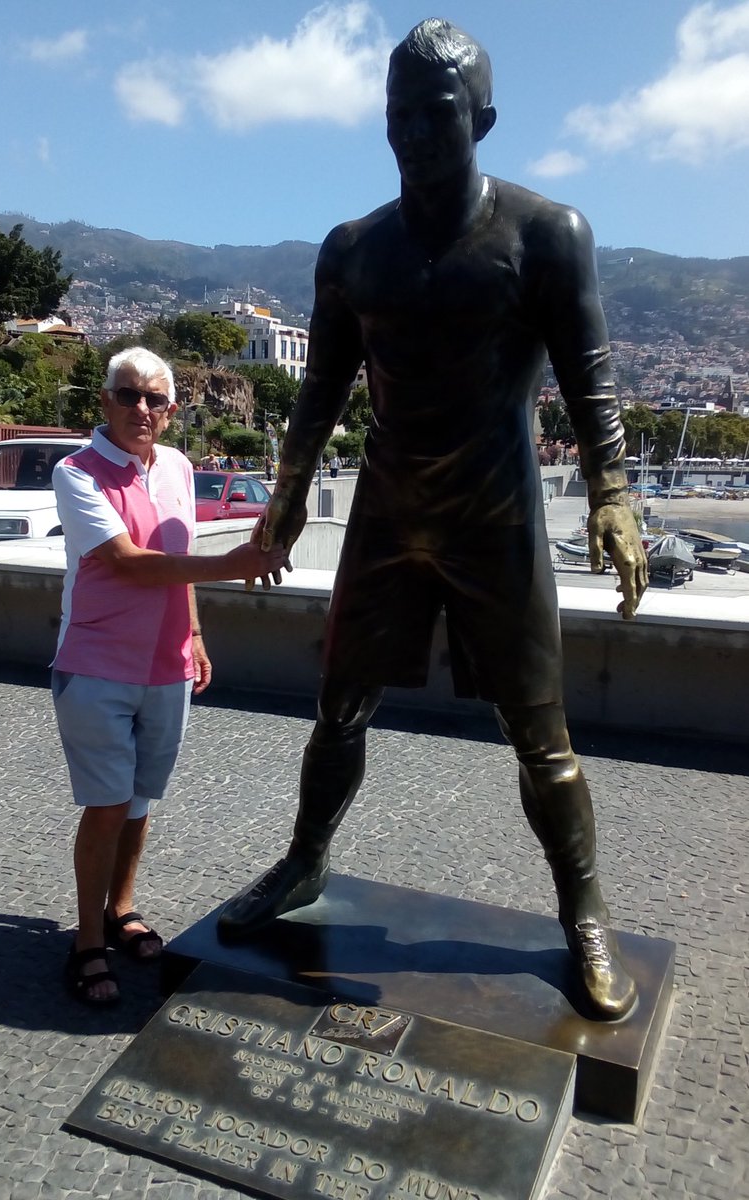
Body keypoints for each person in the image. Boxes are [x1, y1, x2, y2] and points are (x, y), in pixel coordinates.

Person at [217, 18, 648, 1021]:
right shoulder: (352, 250)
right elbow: (316, 397)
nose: (412, 130)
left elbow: (592, 386)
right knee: (339, 707)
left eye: (435, 111)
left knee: (538, 734)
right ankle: (304, 862)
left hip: (496, 519)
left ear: (482, 118)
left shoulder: (549, 235)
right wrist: (280, 511)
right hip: (386, 510)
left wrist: (617, 496)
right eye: (397, 112)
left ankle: (584, 913)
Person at [52, 347, 285, 1006]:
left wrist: (198, 634)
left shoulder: (180, 468)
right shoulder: (78, 472)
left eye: (155, 400)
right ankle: (87, 941)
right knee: (105, 805)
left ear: (172, 410)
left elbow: (176, 559)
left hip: (169, 664)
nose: (141, 410)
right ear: (105, 401)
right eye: (128, 395)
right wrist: (236, 565)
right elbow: (129, 562)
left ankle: (121, 908)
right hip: (96, 664)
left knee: (141, 799)